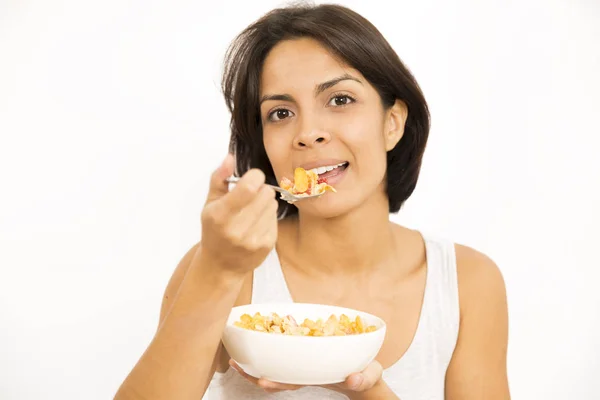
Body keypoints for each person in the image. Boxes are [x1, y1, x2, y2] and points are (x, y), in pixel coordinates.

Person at [115, 3, 510, 400]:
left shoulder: (466, 283)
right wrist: (215, 271)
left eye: (340, 100)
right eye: (281, 112)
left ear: (392, 123)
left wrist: (365, 389)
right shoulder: (225, 268)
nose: (308, 133)